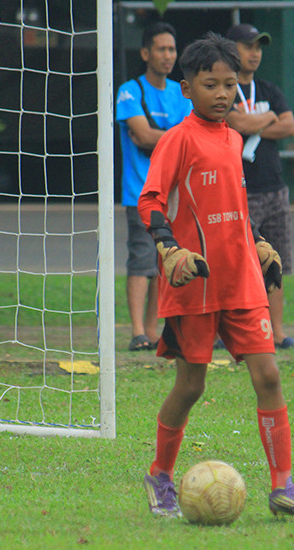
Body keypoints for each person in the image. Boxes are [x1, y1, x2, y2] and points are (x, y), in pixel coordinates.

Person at [138, 32, 294, 519]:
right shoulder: (178, 139)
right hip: (194, 282)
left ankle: (284, 486)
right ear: (187, 89)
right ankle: (160, 475)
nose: (222, 94)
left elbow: (235, 202)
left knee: (268, 374)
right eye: (210, 84)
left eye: (229, 84)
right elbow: (151, 200)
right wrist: (169, 250)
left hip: (240, 279)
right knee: (192, 386)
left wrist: (258, 241)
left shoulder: (237, 137)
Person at [224, 23, 294, 349]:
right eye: (248, 46)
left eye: (259, 47)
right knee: (237, 263)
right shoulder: (226, 90)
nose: (255, 53)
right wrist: (268, 118)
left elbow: (290, 125)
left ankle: (277, 331)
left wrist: (262, 119)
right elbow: (236, 122)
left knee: (277, 261)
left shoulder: (269, 89)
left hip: (275, 188)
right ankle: (230, 330)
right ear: (232, 51)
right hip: (242, 189)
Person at [116, 22, 193, 352]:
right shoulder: (130, 90)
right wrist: (173, 138)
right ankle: (136, 332)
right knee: (141, 260)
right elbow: (144, 135)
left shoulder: (182, 91)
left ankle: (152, 330)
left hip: (174, 194)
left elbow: (191, 138)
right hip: (140, 192)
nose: (168, 56)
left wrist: (156, 136)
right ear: (146, 53)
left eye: (172, 49)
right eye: (161, 49)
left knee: (164, 264)